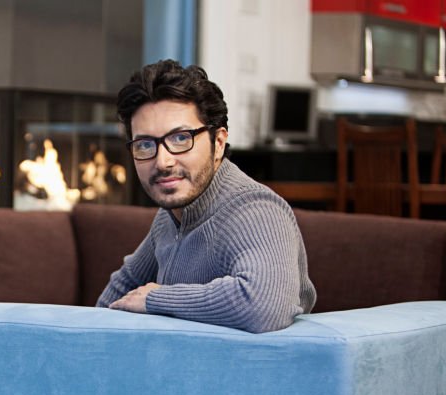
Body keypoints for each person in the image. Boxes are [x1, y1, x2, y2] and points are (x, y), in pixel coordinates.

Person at [97, 60, 316, 333]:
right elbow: (123, 285)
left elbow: (264, 304)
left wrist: (156, 298)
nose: (162, 161)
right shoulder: (170, 217)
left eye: (180, 138)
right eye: (145, 145)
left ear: (219, 143)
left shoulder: (257, 210)